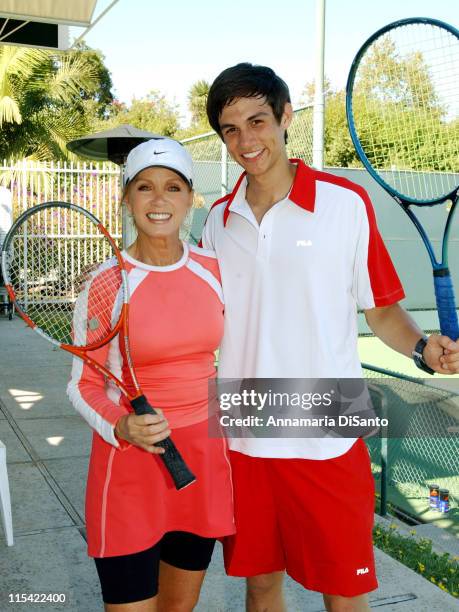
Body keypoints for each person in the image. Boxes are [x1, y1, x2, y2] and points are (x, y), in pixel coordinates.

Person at [200, 62, 459, 612]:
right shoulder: (217, 220)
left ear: (286, 117)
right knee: (261, 582)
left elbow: (383, 311)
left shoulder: (345, 204)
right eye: (231, 129)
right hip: (246, 421)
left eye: (258, 120)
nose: (247, 140)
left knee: (344, 589)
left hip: (328, 422)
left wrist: (421, 348)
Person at [67, 137, 235, 612]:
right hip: (130, 470)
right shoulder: (106, 283)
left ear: (190, 198)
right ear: (126, 199)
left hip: (200, 463)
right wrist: (120, 424)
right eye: (144, 187)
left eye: (172, 187)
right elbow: (83, 384)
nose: (159, 200)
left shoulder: (213, 270)